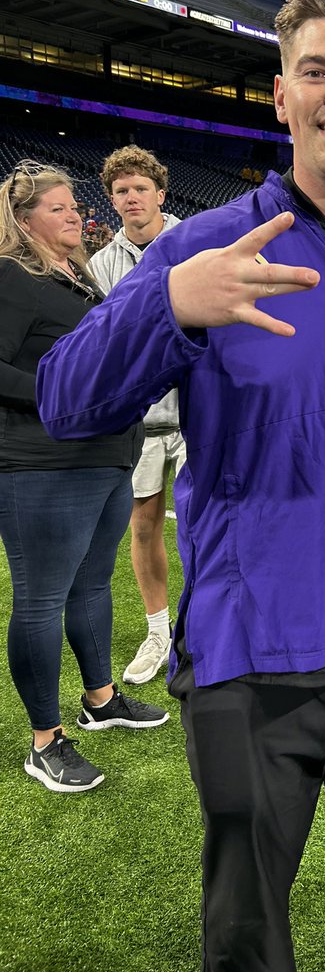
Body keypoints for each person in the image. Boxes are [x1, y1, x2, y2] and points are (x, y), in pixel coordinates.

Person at [37, 0, 325, 972]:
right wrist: (170, 303)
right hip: (256, 652)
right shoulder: (201, 243)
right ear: (281, 96)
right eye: (316, 71)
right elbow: (66, 400)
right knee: (245, 941)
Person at [0, 161, 168, 794]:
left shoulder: (77, 276)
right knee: (42, 600)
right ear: (23, 220)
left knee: (93, 586)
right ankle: (45, 743)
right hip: (41, 465)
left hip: (103, 458)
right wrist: (55, 395)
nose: (75, 214)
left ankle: (100, 699)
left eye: (75, 206)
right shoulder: (11, 276)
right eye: (58, 208)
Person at [92, 145, 185, 685]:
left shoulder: (192, 240)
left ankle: (202, 626)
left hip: (198, 413)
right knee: (144, 524)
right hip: (141, 421)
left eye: (140, 189)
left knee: (204, 523)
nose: (131, 198)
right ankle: (158, 633)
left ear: (161, 195)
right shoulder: (102, 265)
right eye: (121, 191)